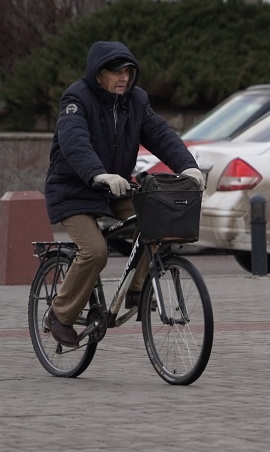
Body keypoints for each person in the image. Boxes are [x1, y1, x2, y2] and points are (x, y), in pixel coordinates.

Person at [43, 40, 203, 348]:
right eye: (116, 72)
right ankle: (59, 315)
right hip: (74, 190)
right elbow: (74, 140)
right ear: (98, 73)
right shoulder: (77, 97)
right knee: (95, 251)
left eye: (128, 72)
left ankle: (137, 288)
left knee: (157, 218)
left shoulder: (136, 101)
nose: (123, 78)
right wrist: (97, 174)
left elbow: (161, 135)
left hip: (115, 188)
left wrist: (188, 167)